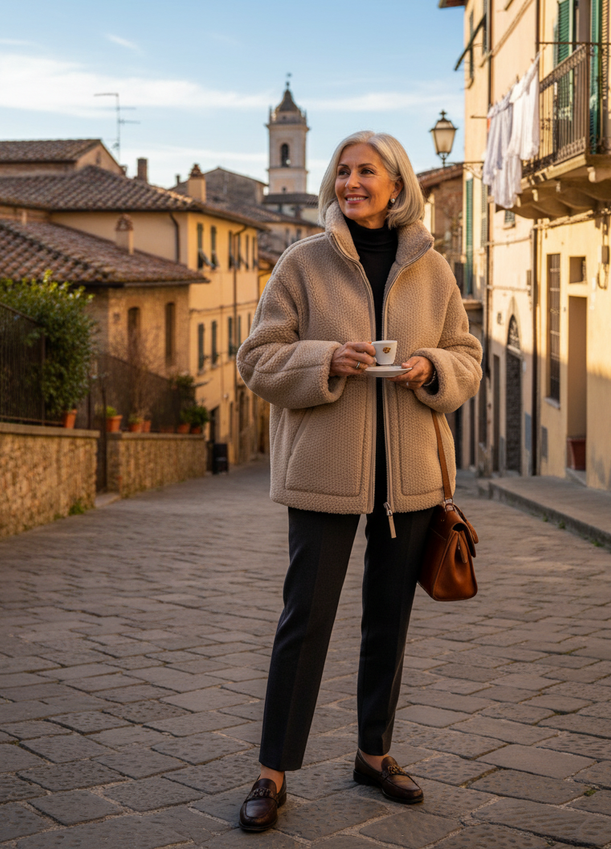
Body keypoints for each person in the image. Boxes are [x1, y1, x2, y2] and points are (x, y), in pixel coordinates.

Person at [236, 130, 482, 831]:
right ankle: (272, 772)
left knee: (389, 621)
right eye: (342, 171)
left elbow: (467, 355)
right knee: (303, 621)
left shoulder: (432, 270)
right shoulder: (301, 263)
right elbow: (256, 359)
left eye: (365, 170)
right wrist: (325, 361)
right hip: (324, 474)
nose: (351, 181)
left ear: (396, 185)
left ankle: (374, 753)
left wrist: (433, 367)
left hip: (410, 480)